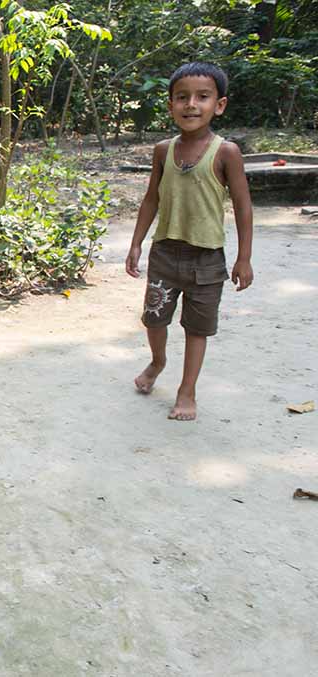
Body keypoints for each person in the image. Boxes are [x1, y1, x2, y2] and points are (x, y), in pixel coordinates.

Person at [125, 62, 254, 421]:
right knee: (154, 319)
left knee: (197, 328)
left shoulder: (226, 152)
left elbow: (243, 206)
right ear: (171, 105)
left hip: (207, 258)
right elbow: (152, 197)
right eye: (182, 97)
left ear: (220, 105)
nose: (191, 105)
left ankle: (187, 390)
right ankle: (158, 361)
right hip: (166, 252)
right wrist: (136, 243)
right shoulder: (163, 151)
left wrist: (244, 258)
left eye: (202, 97)